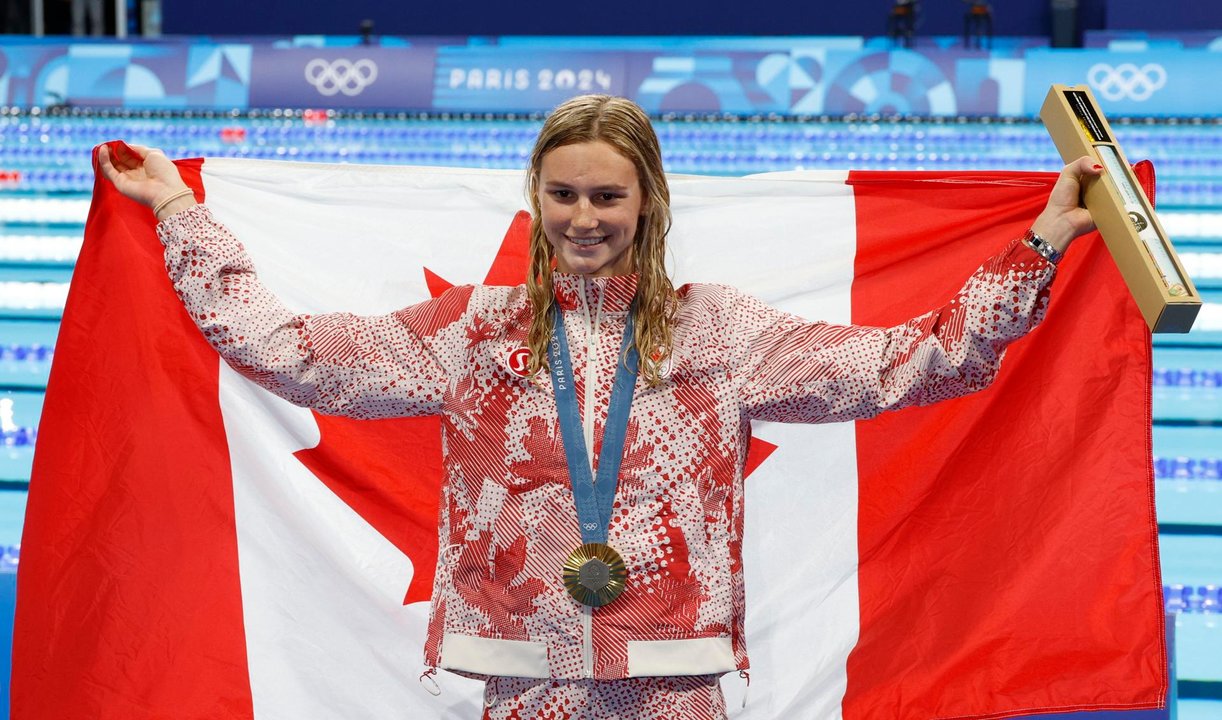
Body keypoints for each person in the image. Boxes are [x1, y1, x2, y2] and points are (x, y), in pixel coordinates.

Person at [98, 94, 1101, 720]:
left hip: (672, 678)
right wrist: (181, 214)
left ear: (647, 204)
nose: (586, 218)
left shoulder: (716, 333)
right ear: (535, 196)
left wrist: (1043, 243)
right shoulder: (471, 332)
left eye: (608, 198)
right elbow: (287, 353)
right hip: (521, 674)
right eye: (566, 195)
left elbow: (908, 362)